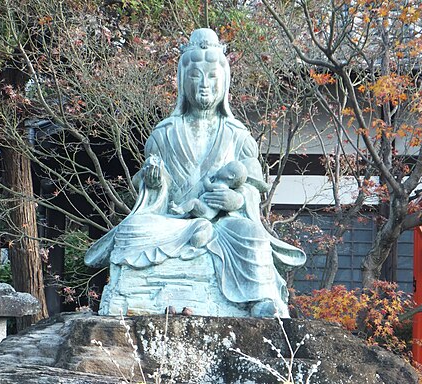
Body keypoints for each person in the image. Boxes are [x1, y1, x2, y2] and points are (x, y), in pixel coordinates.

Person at [85, 28, 306, 317]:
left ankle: (260, 300)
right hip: (172, 221)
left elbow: (251, 191)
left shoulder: (238, 135)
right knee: (131, 230)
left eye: (213, 77)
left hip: (223, 225)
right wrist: (154, 183)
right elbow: (153, 193)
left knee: (252, 235)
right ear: (182, 81)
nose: (204, 85)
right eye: (195, 76)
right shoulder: (163, 134)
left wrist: (236, 202)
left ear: (224, 82)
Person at [169, 160, 248, 220]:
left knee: (193, 201)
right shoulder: (219, 184)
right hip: (205, 209)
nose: (222, 167)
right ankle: (179, 210)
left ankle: (181, 209)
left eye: (225, 167)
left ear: (231, 176)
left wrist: (238, 200)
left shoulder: (221, 187)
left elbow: (208, 185)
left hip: (207, 211)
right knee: (192, 205)